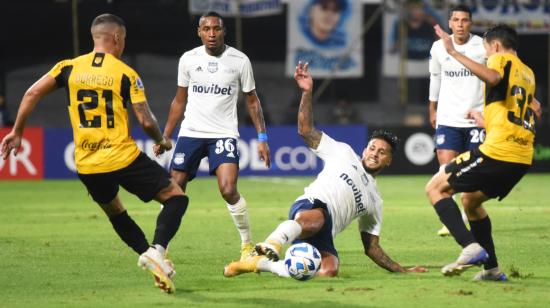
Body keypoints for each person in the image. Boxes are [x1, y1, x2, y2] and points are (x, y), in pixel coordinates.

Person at [0, 14, 188, 293]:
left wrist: (16, 131)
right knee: (176, 198)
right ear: (116, 38)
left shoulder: (68, 67)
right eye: (123, 40)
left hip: (87, 164)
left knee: (116, 213)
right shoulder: (125, 73)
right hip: (122, 156)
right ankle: (156, 251)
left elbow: (31, 94)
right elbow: (146, 120)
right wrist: (162, 140)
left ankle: (154, 260)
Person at [223, 62, 427, 278]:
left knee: (328, 270)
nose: (375, 153)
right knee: (315, 219)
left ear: (389, 161)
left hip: (325, 231)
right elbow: (305, 130)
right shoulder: (344, 152)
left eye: (382, 152)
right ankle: (273, 242)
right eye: (373, 148)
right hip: (312, 205)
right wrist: (307, 92)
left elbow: (372, 248)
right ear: (365, 149)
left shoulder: (375, 200)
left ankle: (258, 264)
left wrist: (402, 269)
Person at [154, 11, 270, 261]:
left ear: (223, 31)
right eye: (206, 29)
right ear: (199, 32)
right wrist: (165, 135)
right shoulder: (188, 59)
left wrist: (262, 138)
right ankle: (160, 248)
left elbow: (252, 101)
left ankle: (247, 246)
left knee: (228, 189)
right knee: (173, 189)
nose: (212, 34)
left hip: (224, 133)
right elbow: (179, 100)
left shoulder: (239, 60)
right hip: (192, 132)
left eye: (216, 29)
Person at [426, 24, 537, 281]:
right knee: (470, 201)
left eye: (486, 51)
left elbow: (493, 77)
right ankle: (491, 269)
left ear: (495, 46)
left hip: (498, 152)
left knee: (435, 188)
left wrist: (453, 52)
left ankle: (470, 246)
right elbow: (518, 113)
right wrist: (485, 121)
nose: (487, 57)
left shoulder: (500, 59)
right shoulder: (528, 74)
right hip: (521, 158)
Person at [428, 5, 486, 237]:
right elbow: (435, 77)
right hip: (448, 117)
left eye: (465, 20)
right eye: (456, 20)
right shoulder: (437, 47)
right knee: (446, 168)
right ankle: (452, 219)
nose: (460, 24)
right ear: (450, 23)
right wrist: (432, 107)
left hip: (475, 118)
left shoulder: (482, 46)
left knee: (473, 171)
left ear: (470, 24)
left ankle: (471, 210)